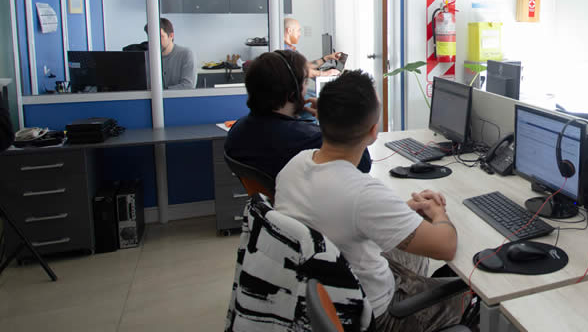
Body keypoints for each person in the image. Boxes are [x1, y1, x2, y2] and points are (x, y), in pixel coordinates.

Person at [275, 70, 464, 332]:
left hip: (323, 293)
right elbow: (446, 247)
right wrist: (438, 211)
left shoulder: (294, 165)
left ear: (320, 118)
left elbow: (340, 216)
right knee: (467, 296)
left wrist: (401, 211)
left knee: (417, 257)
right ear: (374, 131)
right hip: (377, 314)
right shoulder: (363, 193)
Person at [225, 50, 371, 180]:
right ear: (293, 91)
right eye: (306, 82)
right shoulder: (307, 139)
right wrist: (335, 121)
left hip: (275, 201)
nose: (307, 89)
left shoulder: (238, 129)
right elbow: (362, 164)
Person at [146, 17, 196, 89]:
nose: (155, 41)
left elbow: (188, 86)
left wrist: (162, 92)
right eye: (151, 37)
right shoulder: (147, 56)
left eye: (160, 36)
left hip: (176, 97)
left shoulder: (186, 54)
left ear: (171, 36)